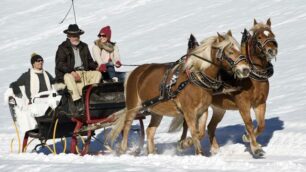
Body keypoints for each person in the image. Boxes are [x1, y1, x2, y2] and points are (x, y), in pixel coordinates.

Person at [7, 53, 59, 133]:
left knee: (59, 101)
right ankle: (42, 125)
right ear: (33, 63)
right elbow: (14, 84)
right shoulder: (27, 75)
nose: (40, 62)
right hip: (36, 100)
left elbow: (55, 82)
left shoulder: (46, 73)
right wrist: (16, 90)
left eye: (42, 60)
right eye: (38, 61)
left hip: (48, 98)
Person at [55, 24, 102, 110]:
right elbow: (60, 64)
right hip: (69, 73)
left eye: (77, 35)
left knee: (97, 74)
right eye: (73, 36)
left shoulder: (84, 46)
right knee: (68, 77)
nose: (75, 37)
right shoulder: (62, 47)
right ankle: (77, 102)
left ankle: (90, 96)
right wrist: (71, 71)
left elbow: (89, 61)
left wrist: (96, 67)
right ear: (68, 36)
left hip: (83, 72)